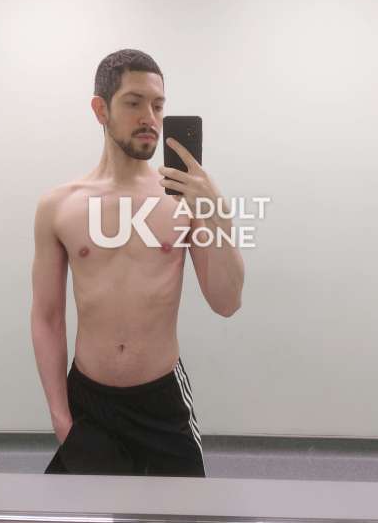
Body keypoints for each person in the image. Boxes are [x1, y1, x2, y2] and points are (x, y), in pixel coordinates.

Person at [31, 48, 244, 477]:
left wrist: (217, 214)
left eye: (158, 105)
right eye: (134, 103)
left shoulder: (184, 201)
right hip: (88, 402)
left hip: (162, 401)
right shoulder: (59, 206)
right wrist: (60, 418)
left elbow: (227, 302)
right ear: (100, 110)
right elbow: (47, 317)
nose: (150, 118)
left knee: (184, 510)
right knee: (80, 508)